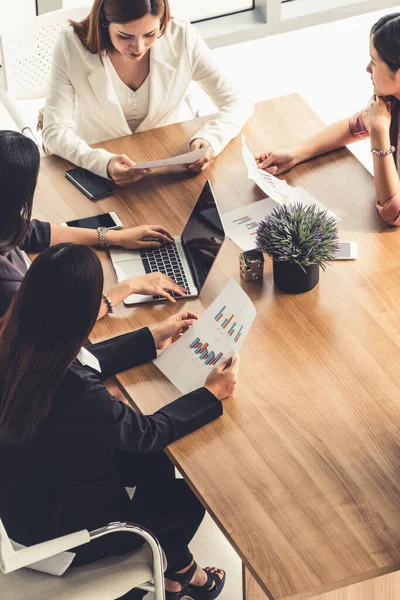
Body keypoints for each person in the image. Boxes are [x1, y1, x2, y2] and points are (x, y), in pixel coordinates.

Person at [0, 242, 239, 599]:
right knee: (194, 490)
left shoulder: (14, 339)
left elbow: (75, 358)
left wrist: (149, 339)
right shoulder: (73, 389)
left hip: (25, 495)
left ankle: (179, 573)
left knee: (156, 466)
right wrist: (210, 394)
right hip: (61, 533)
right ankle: (179, 574)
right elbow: (143, 433)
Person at [42, 0, 253, 185]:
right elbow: (54, 131)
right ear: (104, 23)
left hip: (166, 171)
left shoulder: (182, 38)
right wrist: (102, 163)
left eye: (150, 34)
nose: (139, 47)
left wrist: (210, 141)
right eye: (125, 36)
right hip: (96, 175)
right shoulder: (71, 45)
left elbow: (237, 101)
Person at [0, 130, 187, 318]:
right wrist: (129, 287)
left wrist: (114, 237)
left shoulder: (4, 221)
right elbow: (58, 325)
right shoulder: (7, 286)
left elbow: (31, 232)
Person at [255, 13, 400, 227]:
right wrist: (295, 154)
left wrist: (378, 133)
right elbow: (353, 127)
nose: (367, 69)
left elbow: (392, 213)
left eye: (374, 61)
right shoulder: (391, 102)